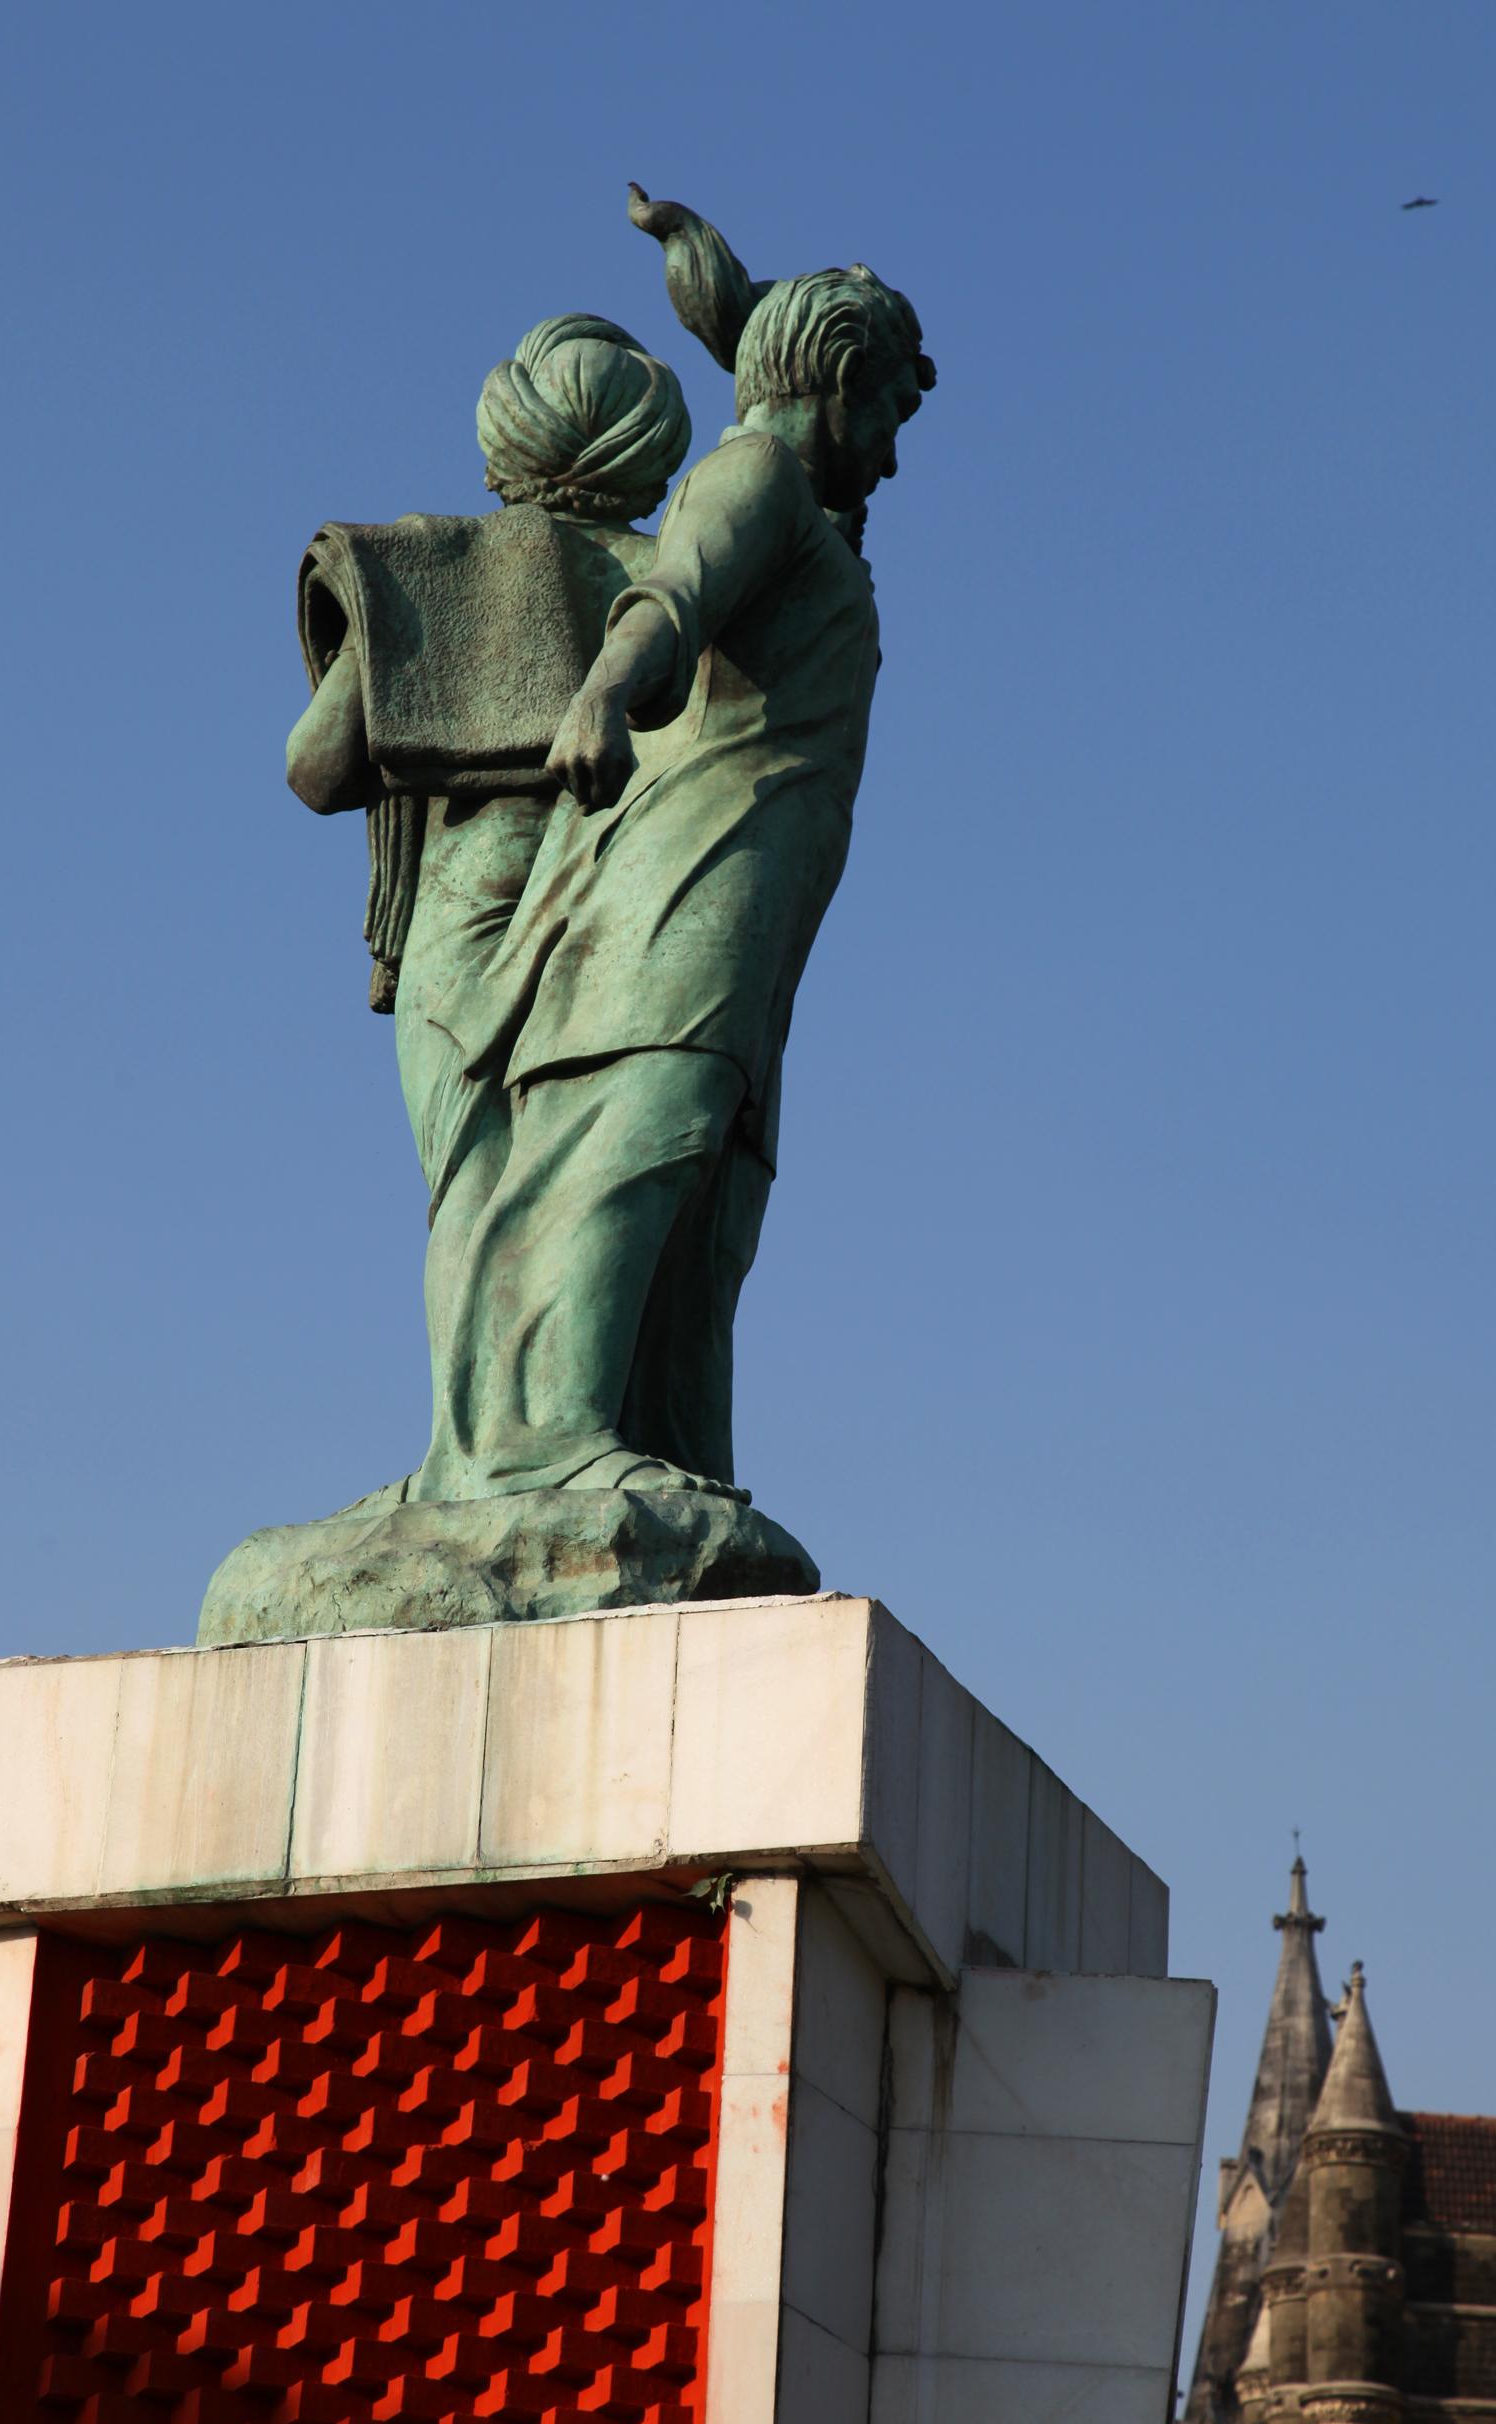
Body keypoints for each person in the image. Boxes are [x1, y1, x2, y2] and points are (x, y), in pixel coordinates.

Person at [407, 242, 935, 1504]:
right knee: (640, 1129)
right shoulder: (755, 474)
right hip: (686, 876)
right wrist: (599, 693)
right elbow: (672, 598)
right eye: (892, 414)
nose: (895, 455)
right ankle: (543, 1438)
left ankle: (669, 1449)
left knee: (709, 1181)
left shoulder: (805, 513)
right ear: (847, 379)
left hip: (752, 906)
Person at [283, 317, 692, 1441]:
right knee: (595, 1182)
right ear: (647, 449)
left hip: (464, 912)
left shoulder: (425, 569)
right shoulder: (675, 580)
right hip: (627, 911)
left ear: (505, 434)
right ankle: (575, 1435)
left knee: (474, 1179)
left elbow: (316, 770)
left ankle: (474, 1456)